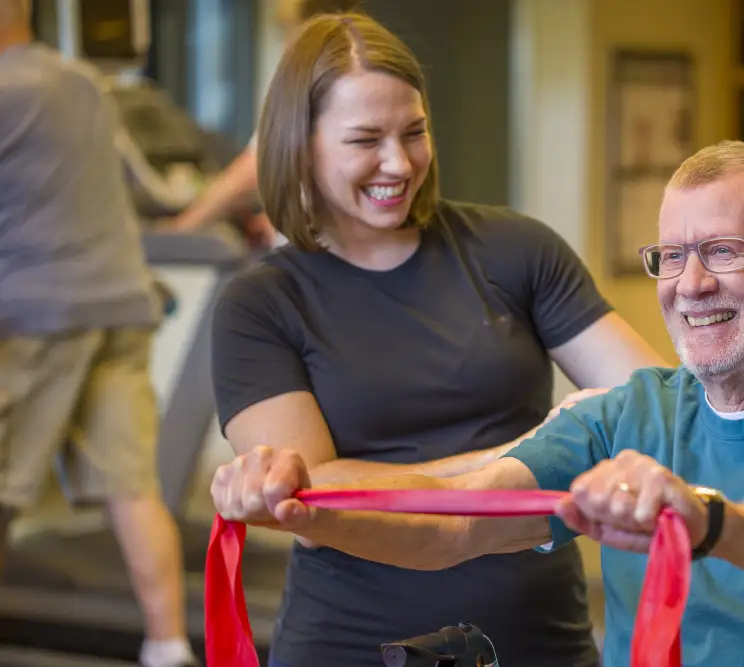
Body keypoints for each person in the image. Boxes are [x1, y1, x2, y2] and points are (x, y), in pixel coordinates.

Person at [212, 140, 744, 667]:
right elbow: (449, 520)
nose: (690, 285)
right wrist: (296, 498)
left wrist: (708, 519)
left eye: (722, 251)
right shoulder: (625, 416)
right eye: (672, 256)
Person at [208, 9, 668, 667]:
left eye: (414, 132)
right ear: (300, 143)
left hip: (538, 638)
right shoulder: (259, 304)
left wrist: (415, 482)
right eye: (365, 139)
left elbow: (651, 404)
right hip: (348, 645)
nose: (398, 162)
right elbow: (310, 500)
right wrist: (531, 453)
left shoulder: (516, 250)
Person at [0, 2, 196, 666]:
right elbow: (150, 189)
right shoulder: (81, 79)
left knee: (3, 491)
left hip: (35, 317)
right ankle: (167, 643)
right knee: (132, 486)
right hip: (120, 306)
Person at [166, 0, 349, 246]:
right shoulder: (350, 80)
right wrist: (279, 221)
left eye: (289, 31)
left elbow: (249, 171)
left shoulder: (308, 87)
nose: (286, 46)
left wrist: (179, 228)